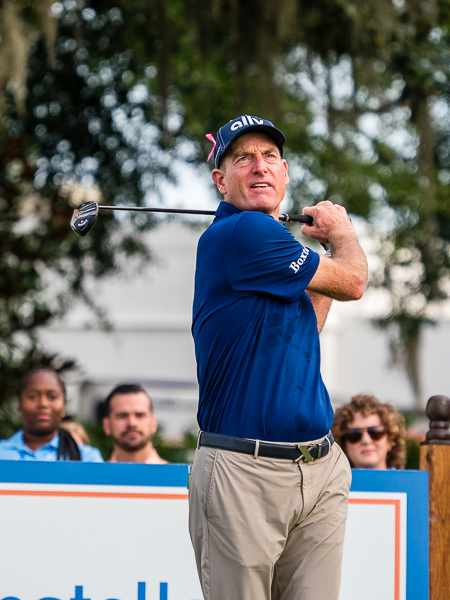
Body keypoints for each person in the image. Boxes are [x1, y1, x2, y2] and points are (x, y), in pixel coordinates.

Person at [189, 115, 368, 600]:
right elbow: (353, 281)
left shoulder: (273, 248)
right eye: (242, 158)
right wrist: (342, 234)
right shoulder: (241, 232)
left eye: (270, 157)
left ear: (284, 172)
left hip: (320, 466)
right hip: (243, 470)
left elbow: (305, 330)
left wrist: (320, 254)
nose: (259, 166)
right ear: (220, 180)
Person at [0, 368, 103, 462]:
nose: (43, 404)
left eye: (52, 397)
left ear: (64, 405)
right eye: (33, 396)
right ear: (19, 404)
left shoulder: (87, 458)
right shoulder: (2, 453)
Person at [331, 394, 406, 470]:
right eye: (354, 435)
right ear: (343, 445)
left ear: (391, 441)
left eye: (376, 433)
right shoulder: (330, 478)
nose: (366, 440)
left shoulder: (407, 478)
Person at [102, 383, 167, 464]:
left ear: (153, 424)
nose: (131, 423)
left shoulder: (179, 472)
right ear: (107, 425)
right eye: (122, 416)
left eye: (140, 415)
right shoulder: (93, 472)